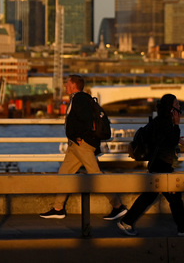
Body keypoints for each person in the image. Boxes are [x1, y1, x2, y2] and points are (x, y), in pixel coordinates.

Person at [40, 74, 126, 220]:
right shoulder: (79, 98)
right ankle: (58, 208)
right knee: (64, 174)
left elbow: (85, 120)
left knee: (95, 175)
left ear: (74, 85)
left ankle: (118, 206)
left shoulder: (79, 98)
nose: (65, 86)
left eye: (67, 83)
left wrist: (81, 137)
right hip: (76, 145)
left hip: (82, 145)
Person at [117, 94, 184, 237]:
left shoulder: (159, 120)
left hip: (157, 163)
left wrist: (176, 137)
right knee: (173, 197)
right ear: (171, 107)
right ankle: (183, 228)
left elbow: (162, 139)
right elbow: (170, 140)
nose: (179, 106)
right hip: (162, 164)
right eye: (177, 104)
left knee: (153, 196)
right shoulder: (166, 121)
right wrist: (177, 125)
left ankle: (127, 221)